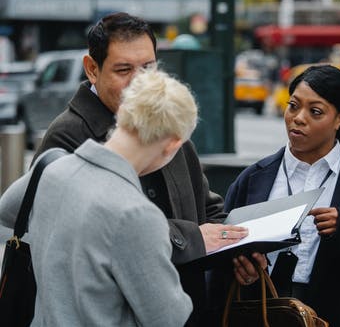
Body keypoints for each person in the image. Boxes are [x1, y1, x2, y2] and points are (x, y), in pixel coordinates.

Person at [31, 12, 265, 326]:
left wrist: (236, 250)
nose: (140, 82)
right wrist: (193, 237)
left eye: (148, 67)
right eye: (124, 69)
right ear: (92, 69)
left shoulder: (167, 123)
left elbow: (207, 208)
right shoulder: (66, 135)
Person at [0, 68, 197, 326]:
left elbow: (6, 210)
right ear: (173, 143)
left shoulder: (51, 169)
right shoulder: (137, 214)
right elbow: (168, 317)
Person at [224, 65, 340, 327]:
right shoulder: (253, 179)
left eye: (315, 111)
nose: (298, 118)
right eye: (293, 106)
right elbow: (221, 256)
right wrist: (242, 268)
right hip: (260, 316)